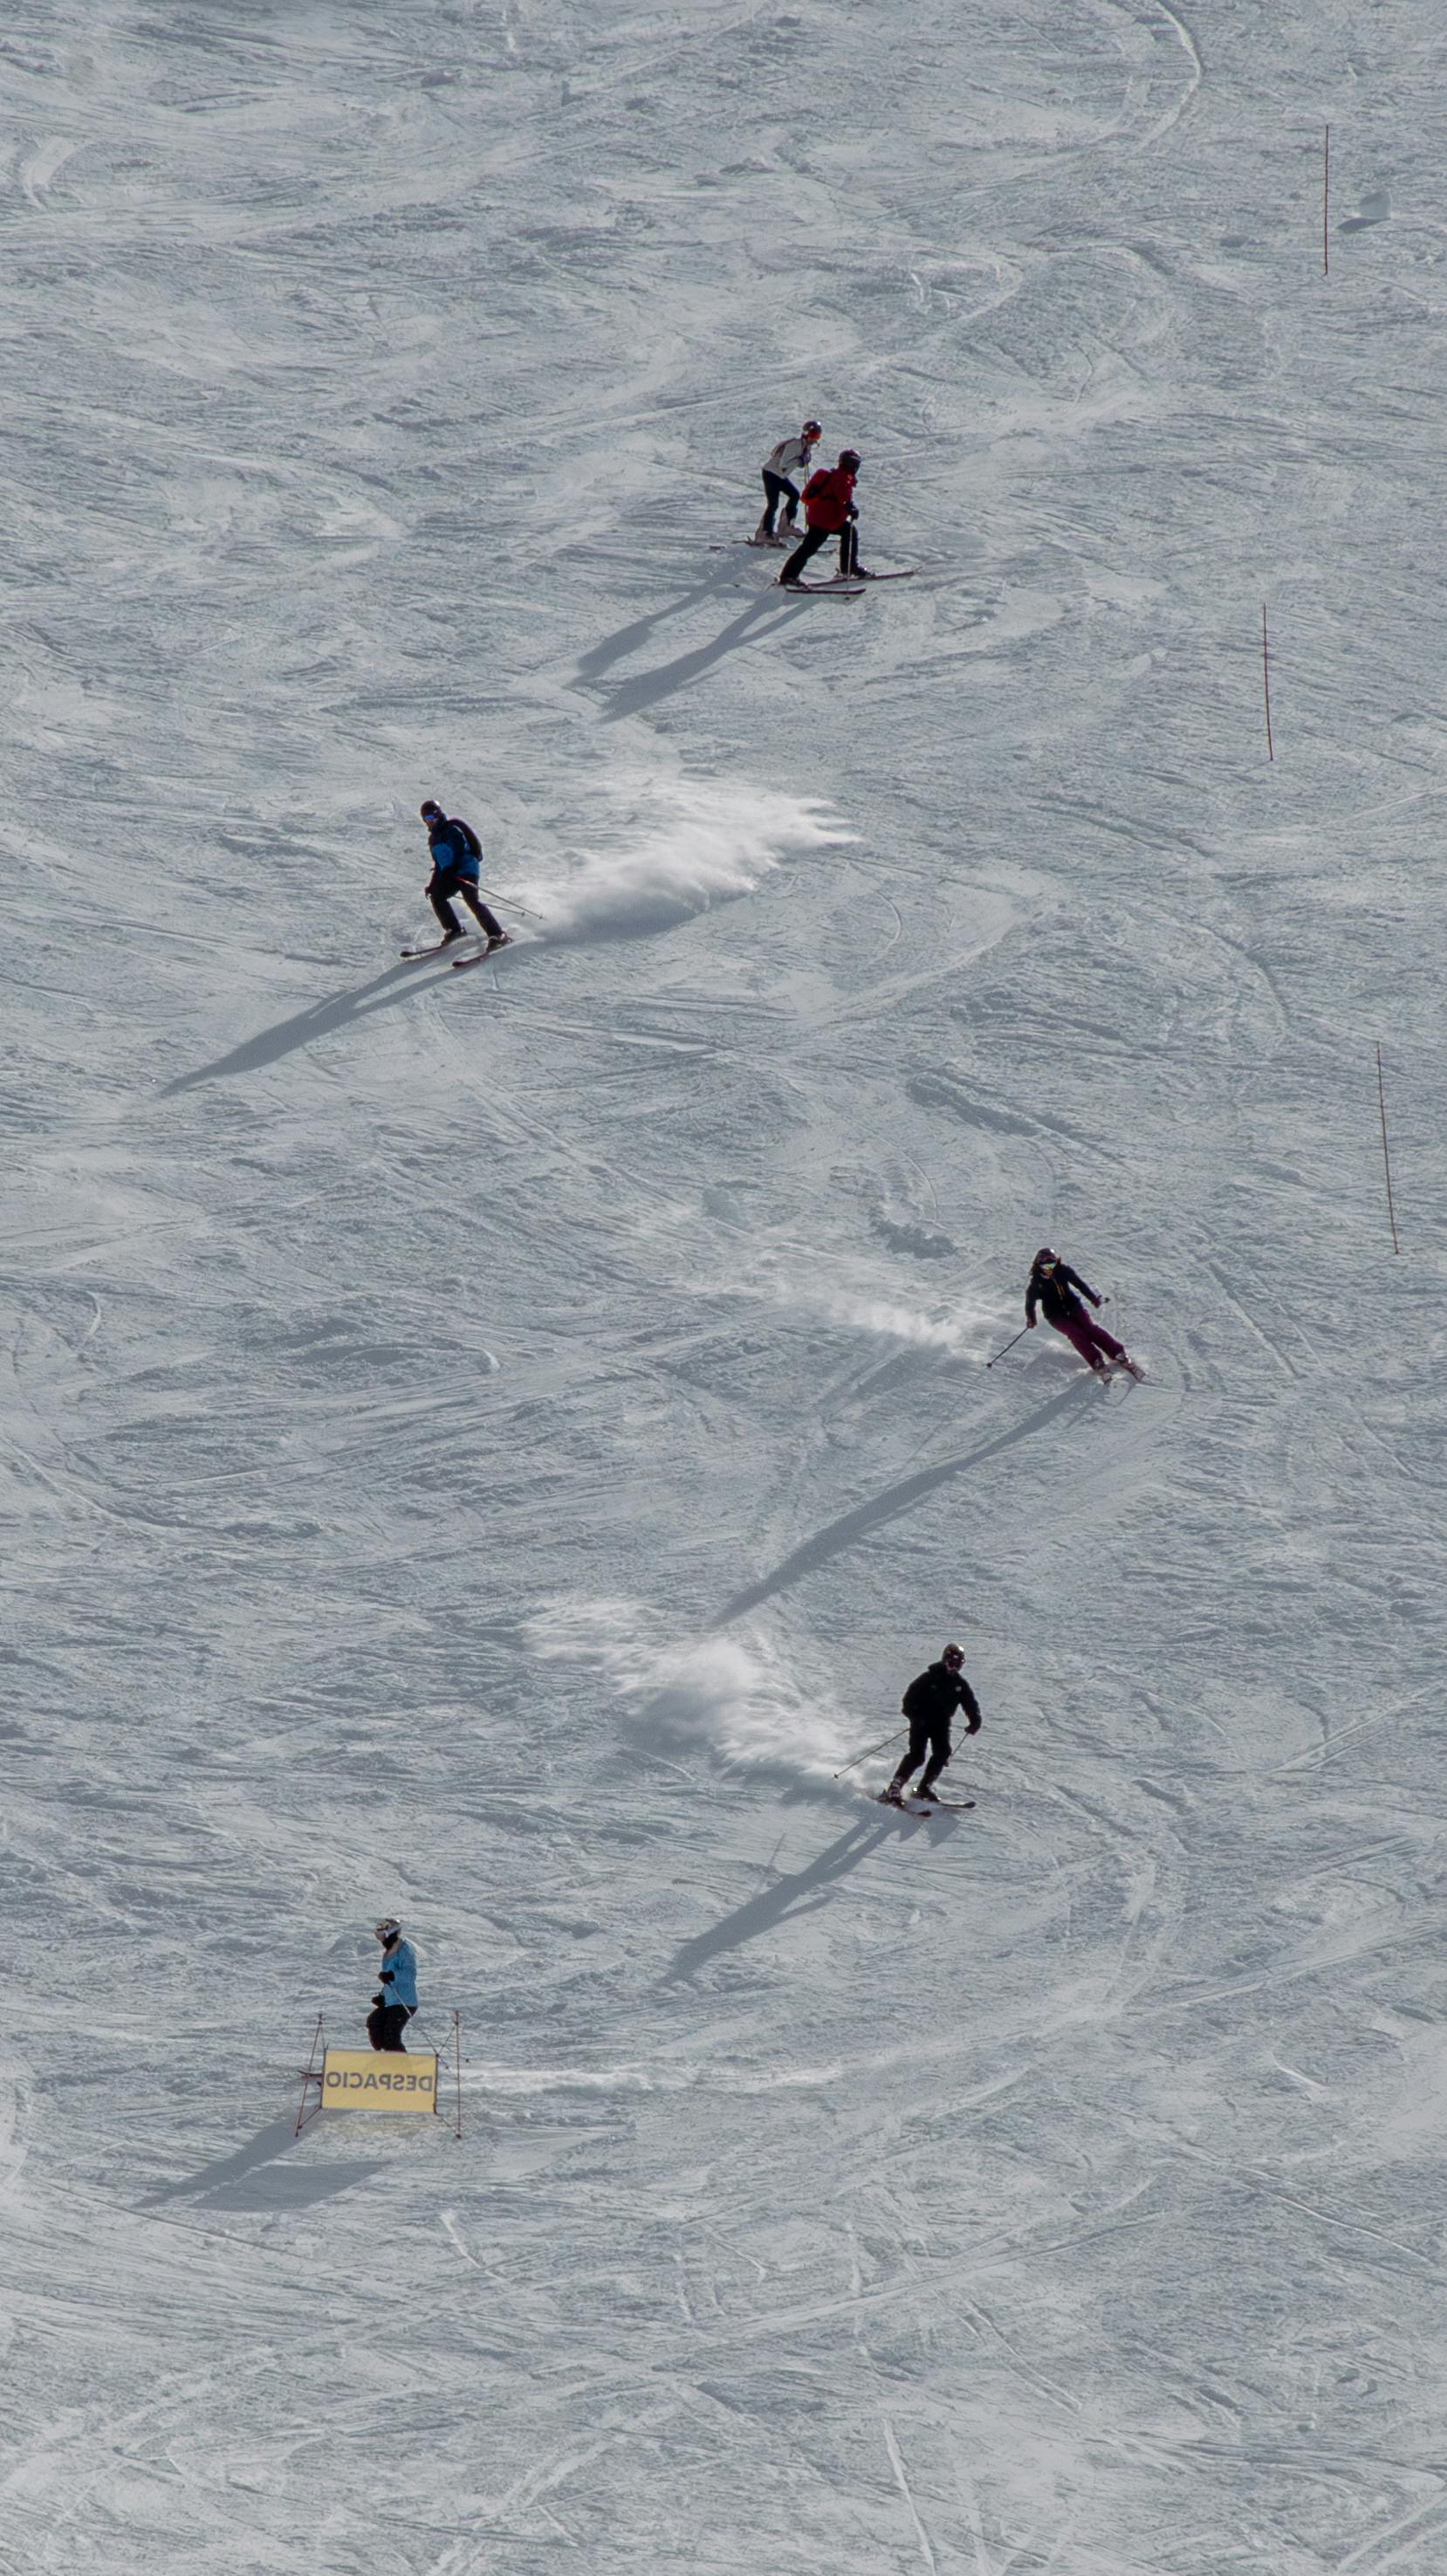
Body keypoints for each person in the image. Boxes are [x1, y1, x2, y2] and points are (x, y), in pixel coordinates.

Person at [883, 1645, 981, 1805]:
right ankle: (895, 1787)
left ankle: (924, 1787)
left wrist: (975, 1720)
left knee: (942, 1753)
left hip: (941, 1725)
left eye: (958, 1665)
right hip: (921, 1722)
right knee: (917, 1756)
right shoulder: (929, 1678)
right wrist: (915, 1717)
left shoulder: (959, 1684)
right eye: (951, 1663)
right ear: (944, 1661)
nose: (953, 1668)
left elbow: (970, 1703)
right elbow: (908, 1701)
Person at [1025, 1247, 1136, 1377]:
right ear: (1039, 1265)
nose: (1049, 1268)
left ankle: (1117, 1353)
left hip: (1073, 1306)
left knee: (1090, 1328)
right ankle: (1096, 1361)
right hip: (1055, 1315)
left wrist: (1094, 1299)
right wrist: (1031, 1319)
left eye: (1052, 1264)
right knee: (1076, 1334)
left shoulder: (1063, 1271)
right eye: (1045, 1265)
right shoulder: (1036, 1284)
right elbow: (1030, 1304)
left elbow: (1079, 1284)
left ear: (1056, 1262)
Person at [420, 800, 510, 951]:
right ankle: (454, 930)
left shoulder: (451, 829)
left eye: (430, 816)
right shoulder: (433, 839)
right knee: (437, 896)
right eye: (425, 818)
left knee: (471, 900)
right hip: (451, 874)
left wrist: (452, 868)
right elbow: (439, 864)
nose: (429, 821)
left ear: (438, 815)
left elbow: (459, 848)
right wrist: (433, 885)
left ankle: (497, 934)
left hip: (466, 870)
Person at [779, 450, 865, 587]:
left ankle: (848, 567)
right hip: (825, 521)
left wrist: (849, 506)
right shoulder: (841, 477)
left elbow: (839, 495)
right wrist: (850, 507)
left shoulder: (837, 476)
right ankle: (789, 576)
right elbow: (841, 495)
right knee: (808, 548)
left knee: (849, 531)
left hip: (825, 519)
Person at [753, 419, 822, 544]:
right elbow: (783, 463)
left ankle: (786, 527)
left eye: (817, 437)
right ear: (806, 434)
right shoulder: (795, 445)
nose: (814, 440)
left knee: (794, 495)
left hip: (780, 476)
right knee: (773, 504)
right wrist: (799, 461)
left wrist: (803, 460)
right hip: (772, 473)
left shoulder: (804, 447)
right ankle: (765, 533)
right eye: (813, 436)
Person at [367, 1917, 419, 2052]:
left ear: (392, 1934)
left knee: (391, 2034)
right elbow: (388, 1982)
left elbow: (410, 1974)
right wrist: (383, 1996)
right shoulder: (388, 1953)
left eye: (383, 1937)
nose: (382, 1941)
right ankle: (384, 2059)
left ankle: (402, 2069)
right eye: (379, 1937)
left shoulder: (404, 1950)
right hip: (391, 2001)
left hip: (405, 2002)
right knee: (374, 2022)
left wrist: (392, 1975)